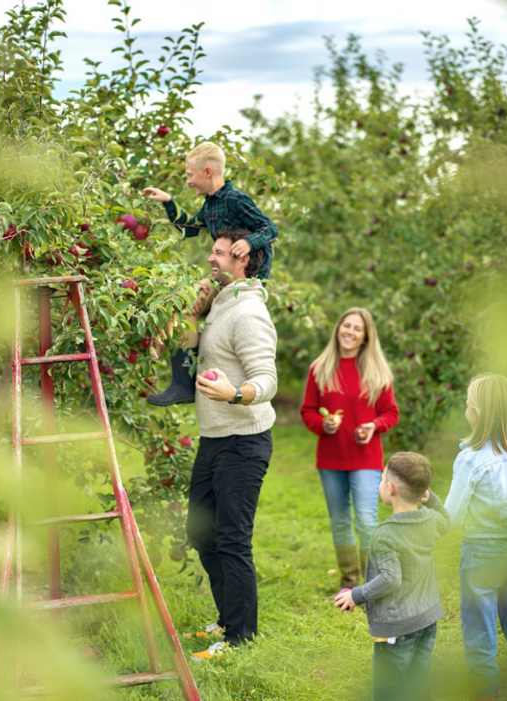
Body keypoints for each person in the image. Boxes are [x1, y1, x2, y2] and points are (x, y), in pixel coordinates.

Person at [183, 229, 277, 660]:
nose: (211, 258)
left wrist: (235, 394)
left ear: (243, 260)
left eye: (219, 253)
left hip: (244, 440)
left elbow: (267, 380)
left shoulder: (249, 312)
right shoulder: (222, 305)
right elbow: (191, 348)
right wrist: (191, 312)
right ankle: (227, 619)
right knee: (200, 532)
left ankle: (240, 638)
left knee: (232, 539)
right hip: (215, 437)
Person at [141, 142, 279, 407]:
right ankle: (183, 383)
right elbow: (190, 227)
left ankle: (185, 383)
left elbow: (270, 229)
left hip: (249, 278)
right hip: (225, 275)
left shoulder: (235, 199)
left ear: (207, 171)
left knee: (190, 302)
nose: (188, 181)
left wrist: (249, 242)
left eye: (190, 175)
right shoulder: (211, 204)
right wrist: (168, 201)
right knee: (185, 302)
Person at [446, 374, 507, 701]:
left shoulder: (471, 458)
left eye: (468, 405)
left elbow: (452, 517)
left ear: (478, 413)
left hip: (480, 553)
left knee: (481, 638)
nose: (465, 410)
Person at [334, 452, 449, 701]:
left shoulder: (385, 535)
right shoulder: (430, 519)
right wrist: (431, 499)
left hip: (398, 628)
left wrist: (356, 595)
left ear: (390, 489)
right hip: (427, 619)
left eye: (381, 479)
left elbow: (390, 579)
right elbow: (446, 519)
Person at [300, 308, 399, 593]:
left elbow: (391, 413)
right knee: (340, 520)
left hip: (366, 459)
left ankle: (373, 582)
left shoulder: (376, 371)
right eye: (346, 326)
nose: (350, 332)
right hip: (331, 459)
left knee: (367, 519)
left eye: (357, 328)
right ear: (338, 329)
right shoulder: (320, 368)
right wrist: (323, 424)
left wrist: (373, 425)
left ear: (366, 336)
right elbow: (307, 410)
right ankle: (349, 580)